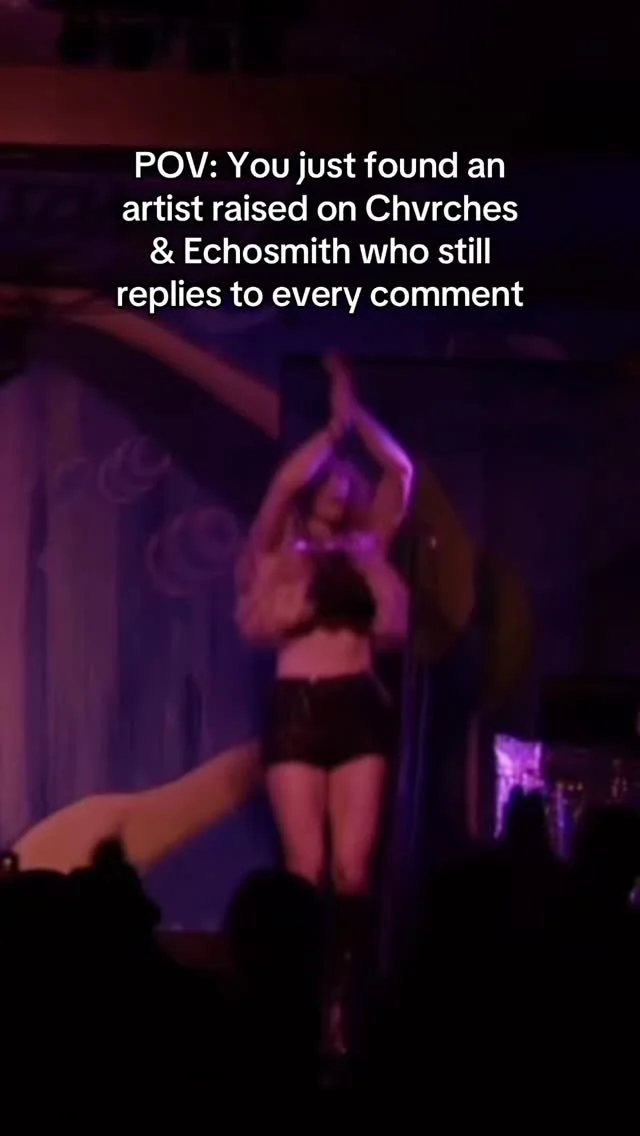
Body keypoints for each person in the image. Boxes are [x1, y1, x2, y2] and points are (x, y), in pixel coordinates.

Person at [235, 352, 413, 1058]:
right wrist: (328, 436)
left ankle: (344, 1011)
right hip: (298, 709)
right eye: (328, 476)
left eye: (344, 475)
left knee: (354, 873)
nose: (339, 481)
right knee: (304, 869)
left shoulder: (370, 547)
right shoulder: (280, 548)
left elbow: (400, 472)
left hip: (357, 704)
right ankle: (296, 1015)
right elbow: (283, 483)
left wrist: (353, 414)